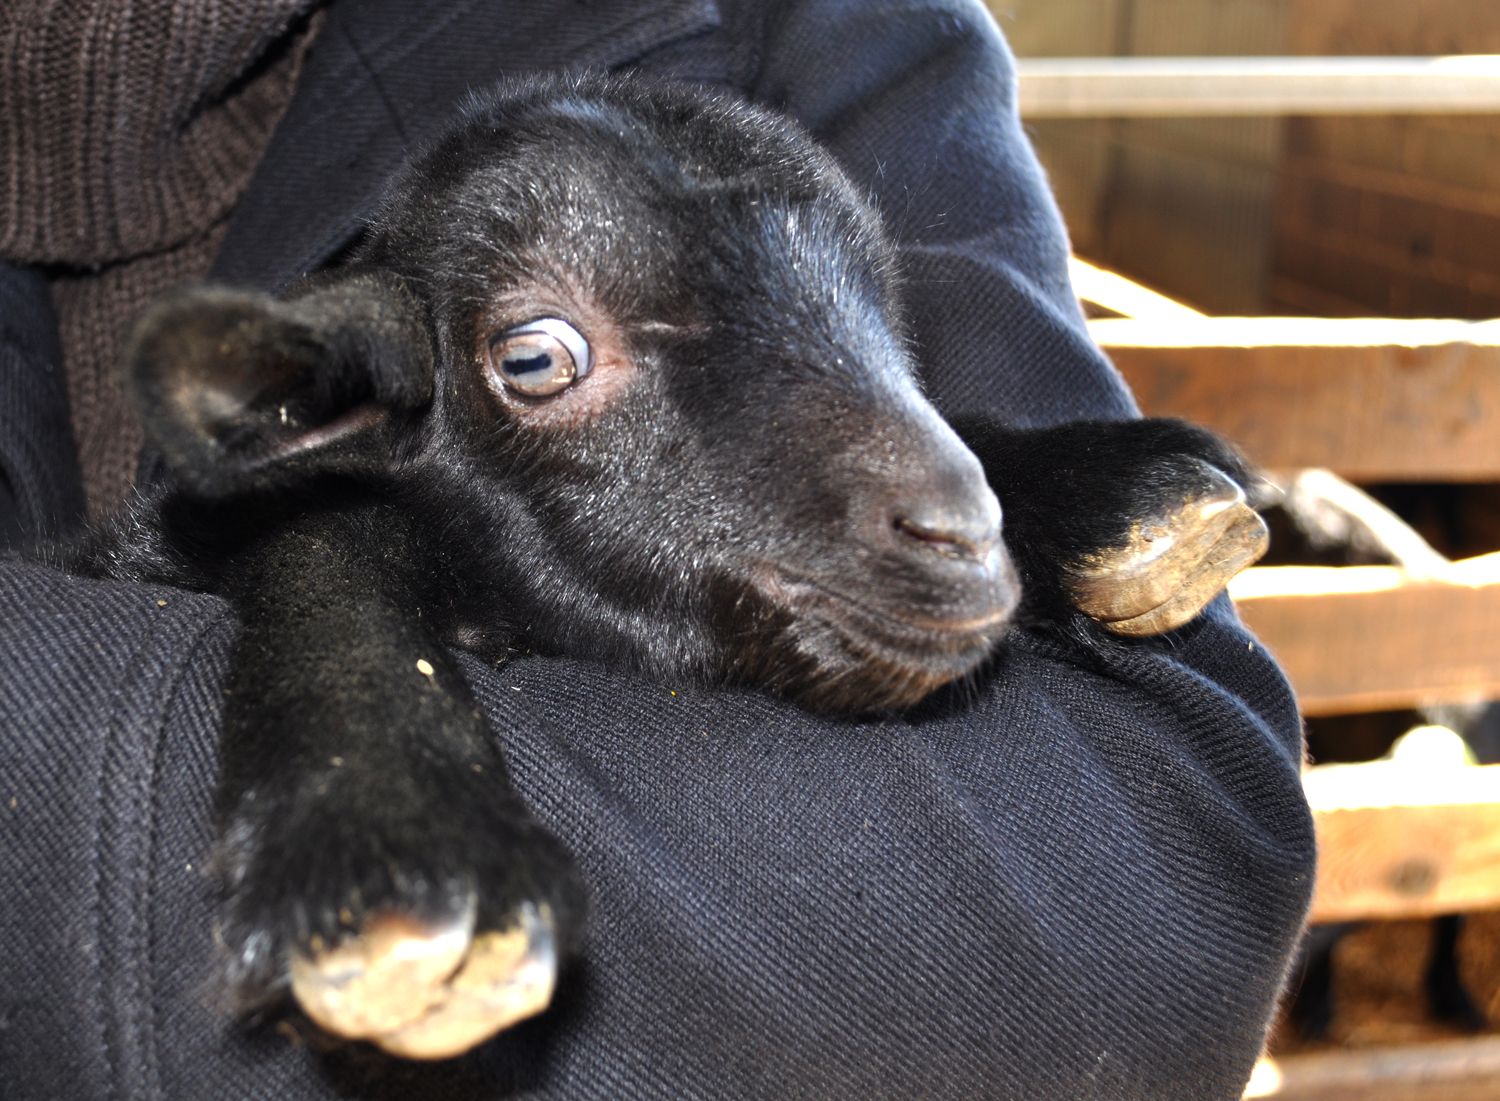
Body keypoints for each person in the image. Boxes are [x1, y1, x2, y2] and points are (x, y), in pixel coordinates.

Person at [0, 1, 1314, 1098]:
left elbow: (1145, 906)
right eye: (542, 360)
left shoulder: (806, 28)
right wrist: (328, 615)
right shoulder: (362, 390)